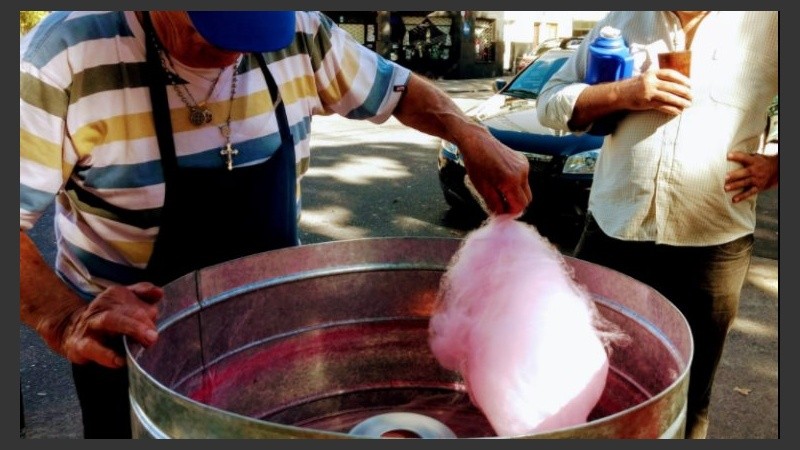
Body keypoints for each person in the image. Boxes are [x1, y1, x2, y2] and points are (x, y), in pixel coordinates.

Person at [20, 11, 532, 439]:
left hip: (273, 343)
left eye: (255, 31)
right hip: (134, 362)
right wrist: (64, 319)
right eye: (212, 29)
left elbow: (398, 90)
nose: (234, 52)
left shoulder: (301, 32)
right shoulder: (65, 54)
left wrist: (469, 133)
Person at [537, 11, 777, 439]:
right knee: (583, 376)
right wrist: (623, 93)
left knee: (687, 391)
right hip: (612, 232)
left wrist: (777, 166)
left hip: (712, 244)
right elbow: (549, 102)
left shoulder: (771, 23)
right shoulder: (624, 17)